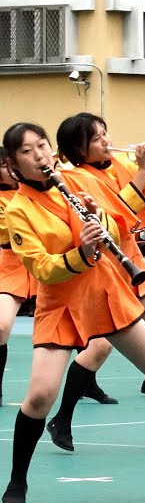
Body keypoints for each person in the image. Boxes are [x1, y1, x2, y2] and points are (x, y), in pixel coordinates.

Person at [2, 122, 145, 503]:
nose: (39, 156)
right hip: (61, 305)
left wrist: (99, 218)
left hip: (108, 292)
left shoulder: (75, 184)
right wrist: (80, 250)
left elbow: (120, 220)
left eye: (41, 146)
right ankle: (17, 480)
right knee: (40, 396)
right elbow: (42, 268)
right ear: (14, 165)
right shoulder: (18, 210)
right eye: (27, 152)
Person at [48, 113, 145, 451]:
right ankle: (63, 417)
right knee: (99, 348)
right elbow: (117, 218)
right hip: (105, 268)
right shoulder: (72, 178)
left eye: (105, 133)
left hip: (134, 264)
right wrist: (143, 169)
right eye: (97, 137)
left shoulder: (120, 164)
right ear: (77, 147)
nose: (106, 140)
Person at [0, 147, 38, 406]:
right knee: (1, 327)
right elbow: (13, 224)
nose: (10, 170)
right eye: (4, 165)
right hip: (11, 263)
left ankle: (86, 383)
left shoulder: (41, 190)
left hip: (46, 260)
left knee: (90, 334)